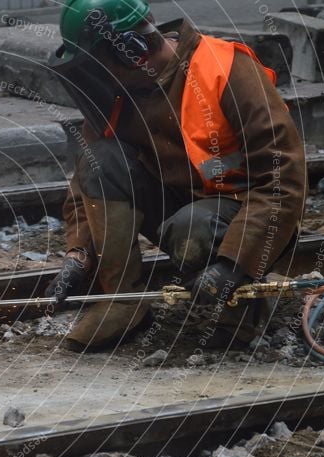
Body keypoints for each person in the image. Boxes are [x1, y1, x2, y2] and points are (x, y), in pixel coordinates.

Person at [45, 0, 306, 352]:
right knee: (101, 156)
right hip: (178, 210)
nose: (99, 79)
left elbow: (283, 179)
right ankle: (124, 302)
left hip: (246, 218)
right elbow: (91, 178)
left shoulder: (224, 70)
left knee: (193, 226)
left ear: (131, 51)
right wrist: (78, 254)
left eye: (99, 66)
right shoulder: (121, 96)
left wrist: (234, 262)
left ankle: (238, 307)